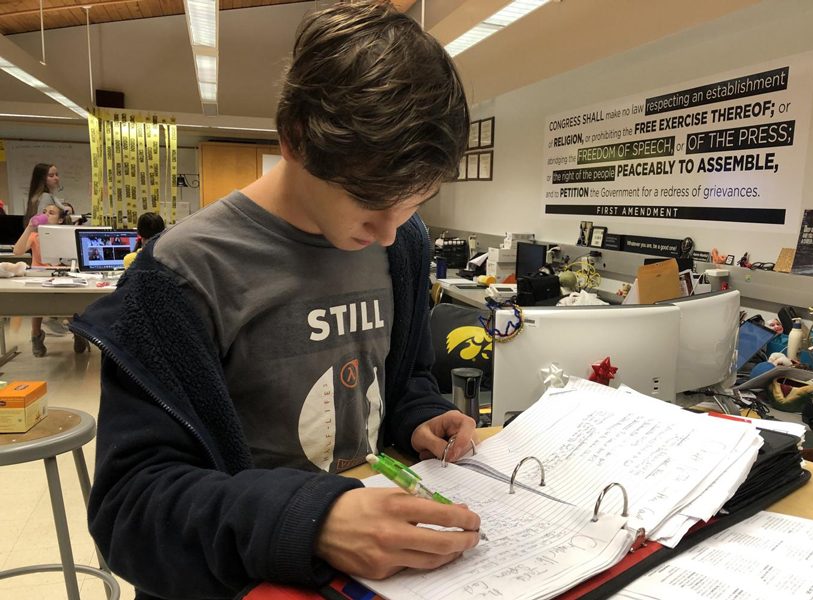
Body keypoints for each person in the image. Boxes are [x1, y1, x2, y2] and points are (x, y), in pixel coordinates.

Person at [73, 3, 476, 599]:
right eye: (369, 201)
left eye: (415, 201)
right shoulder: (180, 274)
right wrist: (311, 522)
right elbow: (131, 511)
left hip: (369, 574)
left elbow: (401, 374)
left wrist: (416, 413)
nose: (391, 229)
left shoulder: (404, 245)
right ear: (293, 141)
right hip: (246, 579)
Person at [13, 201, 74, 356]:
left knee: (68, 305)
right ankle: (36, 335)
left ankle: (78, 333)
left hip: (62, 276)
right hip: (39, 276)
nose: (45, 215)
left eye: (51, 213)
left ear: (60, 220)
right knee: (37, 304)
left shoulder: (66, 235)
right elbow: (18, 251)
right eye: (44, 212)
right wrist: (29, 227)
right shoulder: (35, 236)